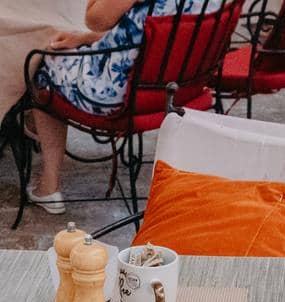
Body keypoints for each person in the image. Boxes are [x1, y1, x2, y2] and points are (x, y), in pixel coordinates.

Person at [27, 0, 217, 213]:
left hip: (119, 95)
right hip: (179, 88)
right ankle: (32, 127)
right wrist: (85, 39)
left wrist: (89, 33)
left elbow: (95, 19)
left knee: (43, 66)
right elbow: (156, 33)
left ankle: (48, 185)